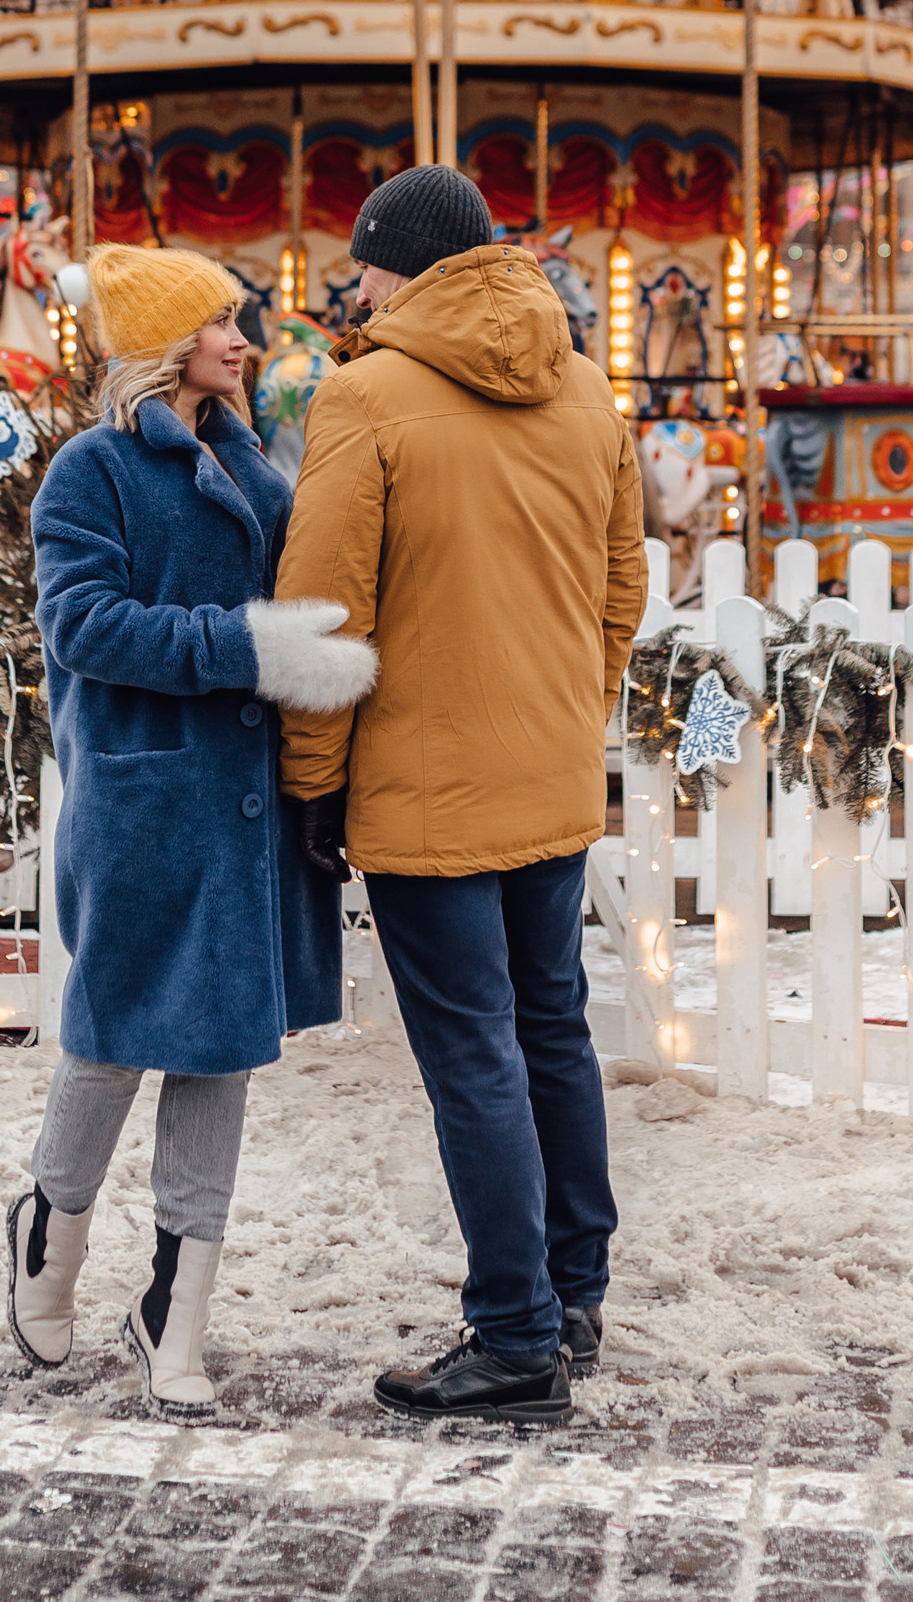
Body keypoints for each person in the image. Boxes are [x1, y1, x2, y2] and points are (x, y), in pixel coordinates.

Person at [274, 165, 648, 1425]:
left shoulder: (364, 393)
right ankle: (573, 1293)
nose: (354, 289)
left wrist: (313, 785)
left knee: (472, 1052)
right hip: (544, 770)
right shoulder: (587, 385)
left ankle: (512, 1336)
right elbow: (620, 587)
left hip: (426, 787)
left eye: (364, 268)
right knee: (551, 1027)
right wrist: (566, 711)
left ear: (400, 267)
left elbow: (327, 615)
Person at [5, 243, 376, 1412]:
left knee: (222, 1047)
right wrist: (245, 647)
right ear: (168, 343)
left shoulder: (259, 473)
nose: (243, 339)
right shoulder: (90, 473)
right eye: (221, 321)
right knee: (113, 1035)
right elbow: (83, 629)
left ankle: (176, 1311)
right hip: (146, 802)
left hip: (250, 808)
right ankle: (48, 1226)